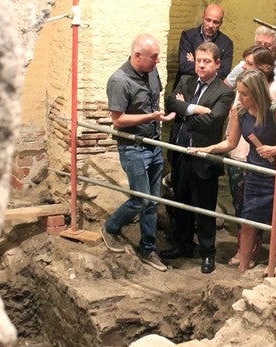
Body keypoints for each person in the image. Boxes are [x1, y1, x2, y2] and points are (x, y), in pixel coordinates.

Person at [190, 69, 276, 272]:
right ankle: (243, 268)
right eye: (239, 92)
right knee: (247, 221)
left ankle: (273, 267)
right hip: (254, 172)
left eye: (245, 94)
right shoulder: (240, 112)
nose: (240, 98)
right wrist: (205, 149)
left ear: (257, 92)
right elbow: (231, 142)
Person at [101, 34, 175, 272]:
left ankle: (147, 248)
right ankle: (111, 228)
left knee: (153, 201)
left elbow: (155, 99)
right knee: (141, 198)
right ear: (137, 56)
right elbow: (119, 120)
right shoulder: (119, 81)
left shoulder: (152, 72)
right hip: (133, 147)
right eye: (154, 56)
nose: (158, 60)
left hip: (153, 145)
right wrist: (151, 116)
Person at [161, 42, 235, 274]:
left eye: (206, 62)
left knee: (204, 208)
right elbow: (170, 102)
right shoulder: (186, 81)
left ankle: (207, 253)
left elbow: (213, 121)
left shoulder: (224, 92)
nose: (201, 66)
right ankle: (183, 245)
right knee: (181, 203)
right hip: (181, 154)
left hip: (204, 157)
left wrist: (185, 111)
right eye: (199, 61)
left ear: (217, 64)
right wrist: (196, 109)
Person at [225, 45, 276, 268]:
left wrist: (274, 150)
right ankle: (243, 251)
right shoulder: (243, 95)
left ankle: (259, 254)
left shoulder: (274, 97)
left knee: (262, 212)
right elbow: (233, 132)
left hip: (264, 162)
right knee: (242, 207)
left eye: (249, 64)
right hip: (242, 152)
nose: (244, 67)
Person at [174, 4, 233, 88]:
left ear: (221, 23)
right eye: (208, 20)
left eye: (215, 22)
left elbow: (223, 73)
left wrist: (194, 63)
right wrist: (213, 68)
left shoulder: (226, 43)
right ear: (203, 18)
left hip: (209, 91)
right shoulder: (188, 36)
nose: (211, 25)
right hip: (186, 88)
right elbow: (184, 66)